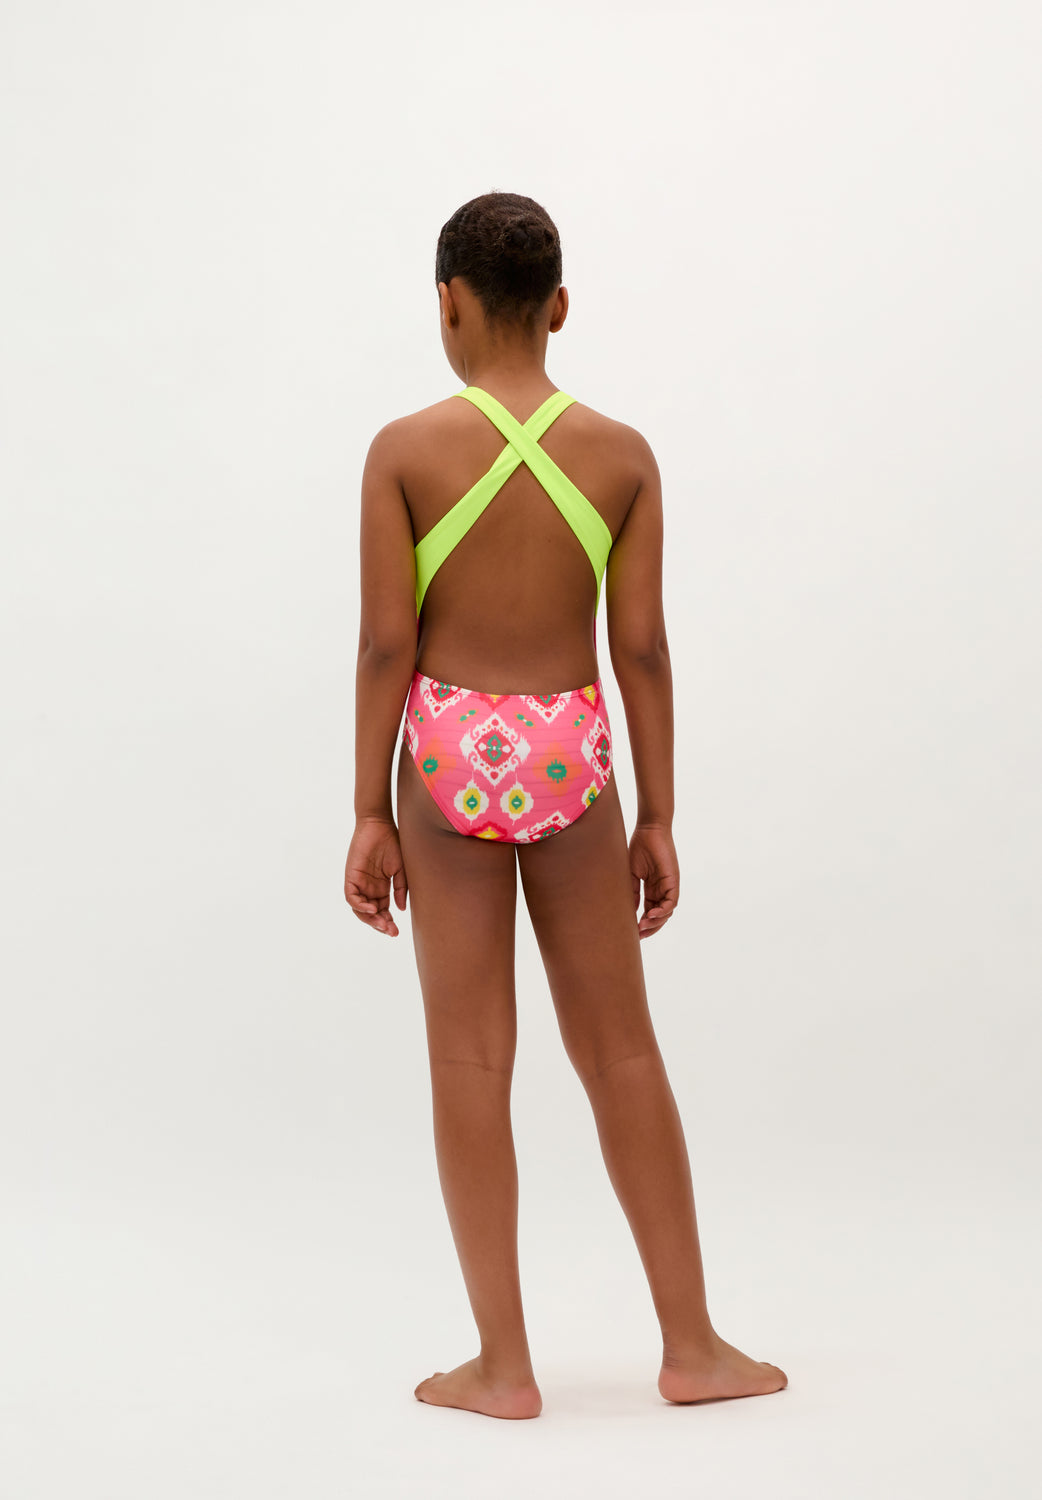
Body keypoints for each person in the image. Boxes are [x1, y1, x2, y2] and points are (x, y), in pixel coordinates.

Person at [343, 191, 788, 1420]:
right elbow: (639, 649)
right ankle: (692, 1348)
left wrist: (371, 808)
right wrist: (657, 814)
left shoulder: (402, 453)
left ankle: (501, 1367)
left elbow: (385, 646)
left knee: (469, 1057)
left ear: (447, 305)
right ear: (560, 308)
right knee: (622, 1052)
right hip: (570, 758)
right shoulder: (621, 458)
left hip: (446, 756)